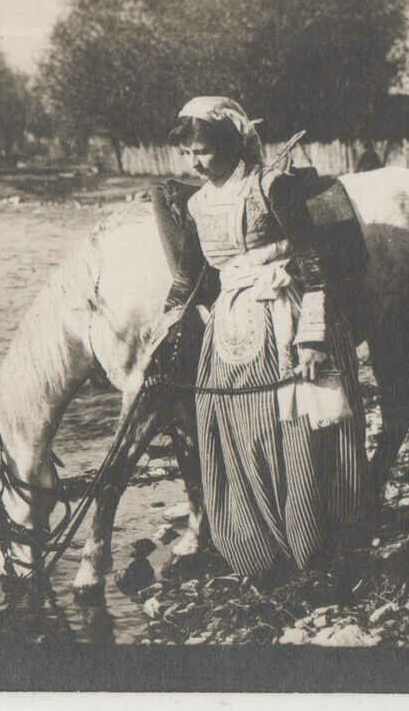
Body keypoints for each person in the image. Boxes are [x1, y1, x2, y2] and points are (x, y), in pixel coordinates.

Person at [153, 96, 368, 580]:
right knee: (238, 431)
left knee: (293, 431)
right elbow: (188, 280)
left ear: (231, 143)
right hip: (229, 331)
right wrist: (161, 331)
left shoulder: (272, 187)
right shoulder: (196, 204)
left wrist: (313, 336)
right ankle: (259, 551)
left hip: (285, 319)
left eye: (203, 150)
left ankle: (313, 548)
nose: (195, 162)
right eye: (187, 154)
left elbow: (314, 264)